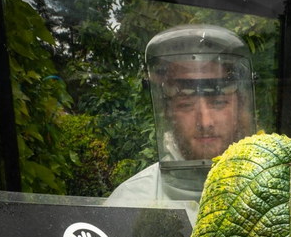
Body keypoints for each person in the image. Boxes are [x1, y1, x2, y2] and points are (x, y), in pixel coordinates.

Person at [106, 24, 256, 206]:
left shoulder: (274, 191)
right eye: (186, 105)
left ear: (239, 106)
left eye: (218, 102)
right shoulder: (132, 201)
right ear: (168, 112)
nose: (205, 122)